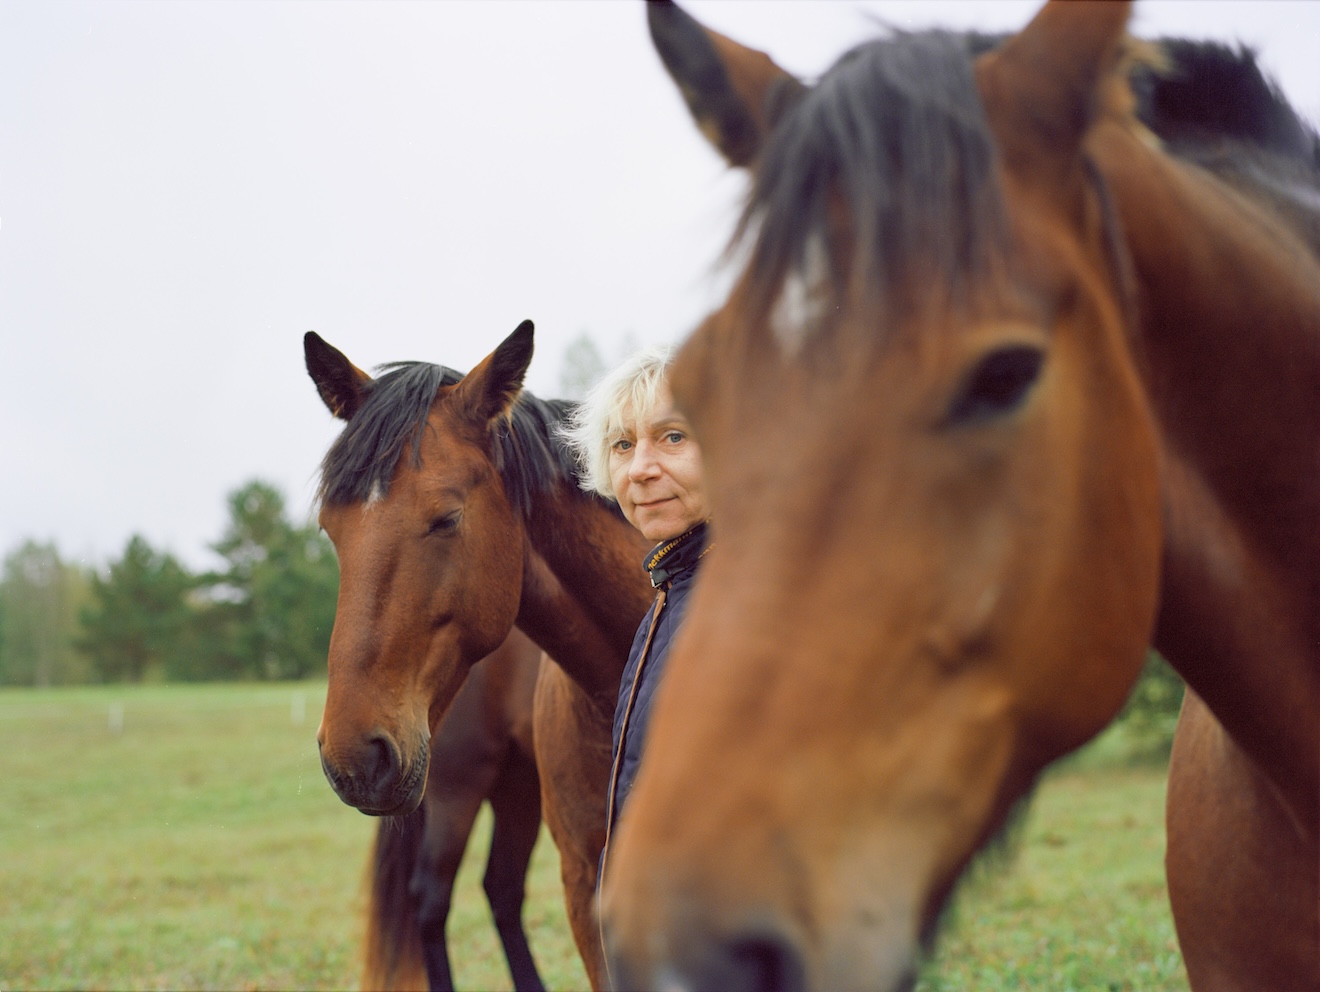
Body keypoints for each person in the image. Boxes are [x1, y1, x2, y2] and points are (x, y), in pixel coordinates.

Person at [561, 345, 712, 869]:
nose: (641, 468)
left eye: (673, 437)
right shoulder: (669, 598)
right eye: (622, 445)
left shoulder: (760, 608)